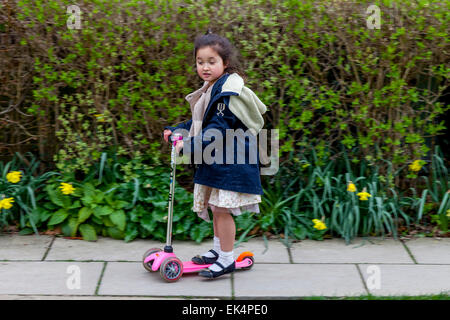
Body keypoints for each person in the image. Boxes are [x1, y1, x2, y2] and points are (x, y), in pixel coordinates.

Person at [163, 29, 267, 279]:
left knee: (222, 209)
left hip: (232, 161)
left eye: (212, 62)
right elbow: (199, 122)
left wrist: (187, 147)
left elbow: (215, 130)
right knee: (215, 206)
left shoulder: (226, 95)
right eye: (200, 62)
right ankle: (220, 251)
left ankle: (227, 259)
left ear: (225, 63)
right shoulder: (212, 88)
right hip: (218, 159)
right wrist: (177, 130)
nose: (205, 67)